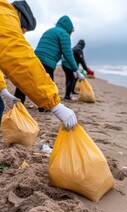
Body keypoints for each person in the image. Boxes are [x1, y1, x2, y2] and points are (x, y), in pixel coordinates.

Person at [0, 0, 77, 130]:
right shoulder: (5, 15)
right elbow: (19, 59)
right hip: (48, 62)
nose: (23, 32)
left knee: (16, 92)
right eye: (23, 27)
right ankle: (42, 107)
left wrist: (2, 89)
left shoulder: (50, 31)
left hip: (39, 58)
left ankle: (21, 105)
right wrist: (55, 105)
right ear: (20, 14)